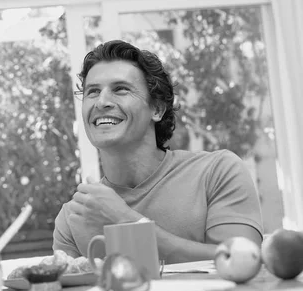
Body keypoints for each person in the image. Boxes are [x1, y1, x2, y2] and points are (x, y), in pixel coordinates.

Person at [53, 40, 263, 264]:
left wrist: (125, 220)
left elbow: (243, 262)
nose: (102, 101)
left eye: (120, 89)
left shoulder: (217, 172)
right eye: (92, 92)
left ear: (157, 109)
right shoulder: (73, 217)